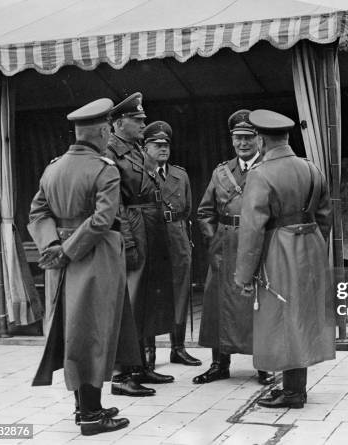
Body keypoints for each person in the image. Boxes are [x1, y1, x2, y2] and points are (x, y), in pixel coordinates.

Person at [28, 98, 137, 435]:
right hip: (93, 259)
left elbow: (37, 212)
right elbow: (104, 219)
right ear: (103, 130)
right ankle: (91, 416)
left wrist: (53, 247)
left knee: (74, 330)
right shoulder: (105, 169)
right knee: (93, 332)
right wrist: (71, 250)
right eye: (108, 130)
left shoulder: (53, 167)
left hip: (60, 263)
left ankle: (86, 406)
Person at [234, 109, 335, 409]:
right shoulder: (312, 168)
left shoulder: (261, 174)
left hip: (278, 249)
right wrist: (316, 248)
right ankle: (294, 386)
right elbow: (326, 216)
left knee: (281, 317)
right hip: (311, 245)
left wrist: (243, 274)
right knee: (301, 315)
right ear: (287, 138)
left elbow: (252, 229)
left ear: (262, 140)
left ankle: (292, 393)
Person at [195, 110, 273, 385]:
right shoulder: (221, 172)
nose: (243, 143)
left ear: (259, 139)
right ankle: (219, 364)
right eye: (238, 138)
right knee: (219, 305)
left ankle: (264, 364)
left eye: (248, 138)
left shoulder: (268, 168)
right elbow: (205, 212)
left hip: (258, 246)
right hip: (225, 247)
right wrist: (213, 238)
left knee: (259, 306)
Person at [106, 93, 175, 397]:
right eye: (138, 120)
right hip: (134, 224)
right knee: (131, 301)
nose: (142, 125)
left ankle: (143, 365)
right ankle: (122, 374)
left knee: (148, 298)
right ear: (120, 123)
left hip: (151, 223)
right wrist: (127, 239)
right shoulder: (110, 152)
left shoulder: (133, 149)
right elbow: (115, 202)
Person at [141, 120, 201, 367]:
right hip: (151, 236)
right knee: (151, 293)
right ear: (145, 147)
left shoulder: (180, 175)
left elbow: (186, 209)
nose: (163, 148)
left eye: (166, 144)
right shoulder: (139, 173)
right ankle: (148, 350)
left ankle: (178, 347)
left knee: (179, 290)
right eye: (157, 144)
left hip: (176, 236)